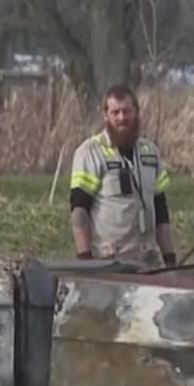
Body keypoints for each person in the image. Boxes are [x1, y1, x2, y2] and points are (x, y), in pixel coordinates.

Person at [68, 85, 177, 269]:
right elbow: (79, 210)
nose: (121, 118)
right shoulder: (90, 152)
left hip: (148, 260)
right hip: (109, 261)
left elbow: (161, 210)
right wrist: (85, 260)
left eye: (127, 111)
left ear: (136, 112)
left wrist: (170, 259)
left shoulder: (150, 152)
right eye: (115, 112)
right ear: (105, 115)